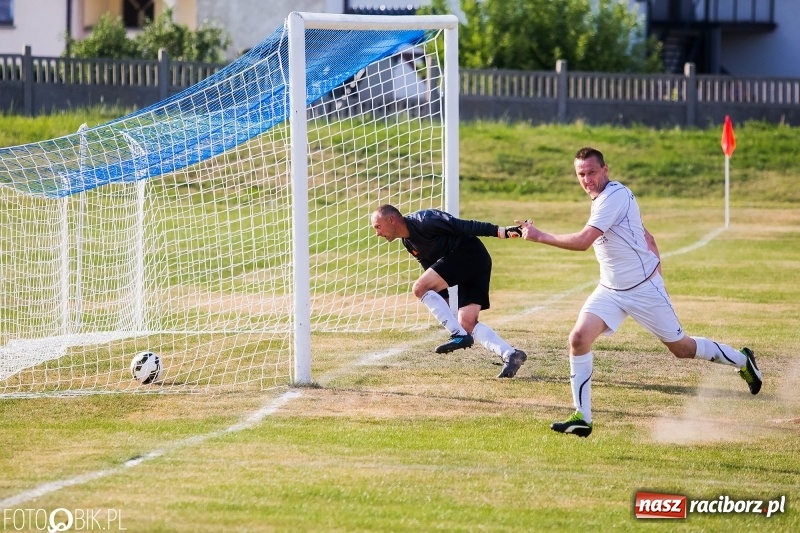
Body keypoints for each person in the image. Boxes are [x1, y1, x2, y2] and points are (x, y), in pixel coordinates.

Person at [517, 147, 762, 438]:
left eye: (592, 172)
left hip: (643, 291)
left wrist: (539, 235)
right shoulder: (603, 199)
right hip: (610, 289)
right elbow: (646, 235)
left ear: (606, 170)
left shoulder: (614, 196)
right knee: (578, 339)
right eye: (581, 174)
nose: (586, 179)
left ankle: (742, 360)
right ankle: (582, 417)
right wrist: (655, 257)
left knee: (681, 349)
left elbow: (584, 241)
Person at [370, 204, 527, 378]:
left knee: (419, 288)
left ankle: (458, 334)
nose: (377, 233)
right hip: (472, 262)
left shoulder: (425, 220)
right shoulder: (408, 242)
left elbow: (464, 226)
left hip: (471, 254)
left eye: (378, 226)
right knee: (467, 322)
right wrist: (444, 301)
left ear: (391, 219)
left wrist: (502, 232)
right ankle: (511, 354)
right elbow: (428, 265)